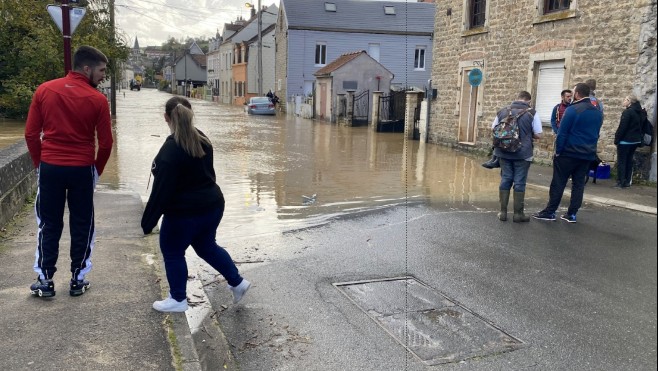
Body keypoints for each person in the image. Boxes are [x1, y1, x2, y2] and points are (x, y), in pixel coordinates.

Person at [142, 96, 251, 312]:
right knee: (206, 246)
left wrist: (148, 222)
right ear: (191, 115)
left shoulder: (169, 152)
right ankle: (238, 282)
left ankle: (178, 299)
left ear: (166, 118)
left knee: (172, 251)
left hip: (185, 213)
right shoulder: (203, 139)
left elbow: (161, 192)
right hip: (213, 205)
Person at [24, 45, 113, 297]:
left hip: (51, 167)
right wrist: (96, 171)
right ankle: (78, 278)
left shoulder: (44, 90)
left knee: (49, 223)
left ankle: (44, 279)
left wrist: (39, 164)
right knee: (82, 222)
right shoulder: (98, 100)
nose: (103, 76)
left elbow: (31, 133)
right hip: (82, 168)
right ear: (86, 69)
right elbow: (106, 143)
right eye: (101, 70)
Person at [533, 82, 604, 223]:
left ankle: (550, 211)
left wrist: (558, 151)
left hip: (568, 153)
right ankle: (571, 214)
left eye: (573, 92)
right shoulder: (598, 112)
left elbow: (562, 133)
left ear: (577, 94)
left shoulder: (572, 110)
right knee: (578, 185)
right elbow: (596, 134)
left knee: (558, 183)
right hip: (587, 154)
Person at [491, 91, 542, 222]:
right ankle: (518, 214)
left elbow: (493, 129)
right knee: (519, 181)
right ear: (529, 101)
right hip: (523, 153)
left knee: (506, 178)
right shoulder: (532, 113)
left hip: (503, 151)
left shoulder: (502, 111)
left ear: (517, 98)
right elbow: (538, 134)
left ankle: (502, 213)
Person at [613, 95, 643, 188]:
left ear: (629, 101)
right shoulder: (639, 112)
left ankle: (620, 182)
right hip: (635, 141)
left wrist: (617, 139)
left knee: (622, 161)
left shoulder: (627, 112)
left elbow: (623, 127)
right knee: (629, 161)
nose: (623, 101)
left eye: (625, 99)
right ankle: (626, 182)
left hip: (625, 141)